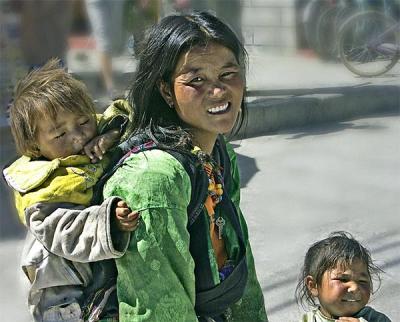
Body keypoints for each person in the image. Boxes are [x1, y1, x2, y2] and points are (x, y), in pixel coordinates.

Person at [102, 11, 268, 322]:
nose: (218, 91)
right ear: (166, 90)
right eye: (197, 80)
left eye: (228, 74)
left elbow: (239, 262)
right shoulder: (154, 179)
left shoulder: (219, 151)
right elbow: (160, 307)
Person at [3, 59, 139, 322]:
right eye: (59, 135)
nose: (78, 136)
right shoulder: (41, 186)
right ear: (34, 146)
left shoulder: (95, 134)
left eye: (83, 122)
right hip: (63, 291)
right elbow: (62, 230)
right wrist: (108, 221)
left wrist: (110, 134)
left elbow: (126, 115)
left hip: (98, 273)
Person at [295, 231, 392, 322]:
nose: (354, 288)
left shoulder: (377, 319)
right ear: (313, 286)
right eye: (343, 279)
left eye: (362, 281)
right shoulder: (308, 320)